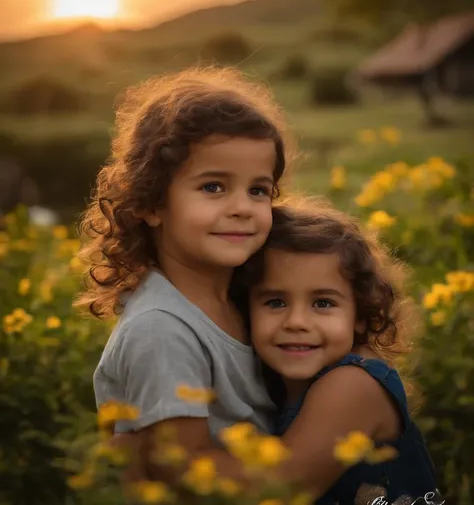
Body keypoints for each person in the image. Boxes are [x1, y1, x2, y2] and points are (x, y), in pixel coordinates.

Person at [77, 66, 292, 459]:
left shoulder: (247, 297)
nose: (243, 208)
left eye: (258, 190)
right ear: (151, 203)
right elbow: (186, 475)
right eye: (213, 187)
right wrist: (311, 468)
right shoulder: (161, 330)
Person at [243, 201, 439, 505]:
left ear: (360, 315)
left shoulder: (353, 384)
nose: (296, 322)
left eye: (323, 303)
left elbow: (276, 490)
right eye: (275, 302)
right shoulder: (269, 379)